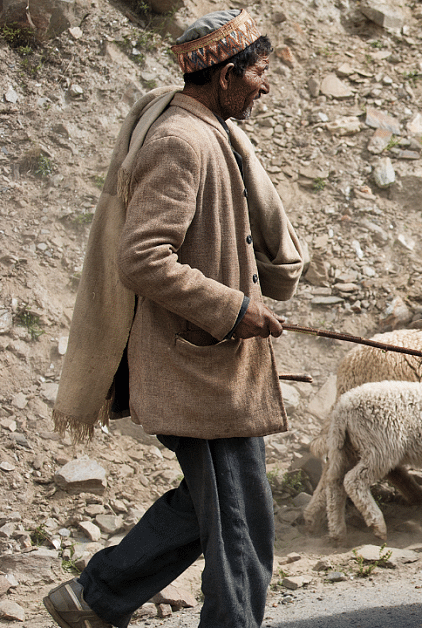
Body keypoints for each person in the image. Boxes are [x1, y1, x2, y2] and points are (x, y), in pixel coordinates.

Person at [44, 9, 306, 628]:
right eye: (259, 73)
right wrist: (232, 307)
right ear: (225, 75)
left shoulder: (206, 131)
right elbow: (140, 257)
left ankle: (94, 599)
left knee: (209, 506)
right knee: (242, 523)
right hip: (196, 365)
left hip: (211, 364)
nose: (264, 86)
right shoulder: (180, 142)